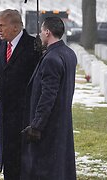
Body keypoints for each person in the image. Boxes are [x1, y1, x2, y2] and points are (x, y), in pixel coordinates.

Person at [0, 9, 40, 179]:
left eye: (2, 26)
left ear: (16, 27)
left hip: (25, 113)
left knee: (23, 158)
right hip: (4, 112)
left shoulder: (33, 46)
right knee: (8, 156)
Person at [20, 16, 77, 180]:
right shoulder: (68, 53)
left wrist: (36, 125)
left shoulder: (51, 59)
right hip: (62, 121)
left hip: (49, 125)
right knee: (60, 169)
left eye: (41, 31)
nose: (39, 35)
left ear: (47, 32)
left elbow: (48, 96)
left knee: (46, 170)